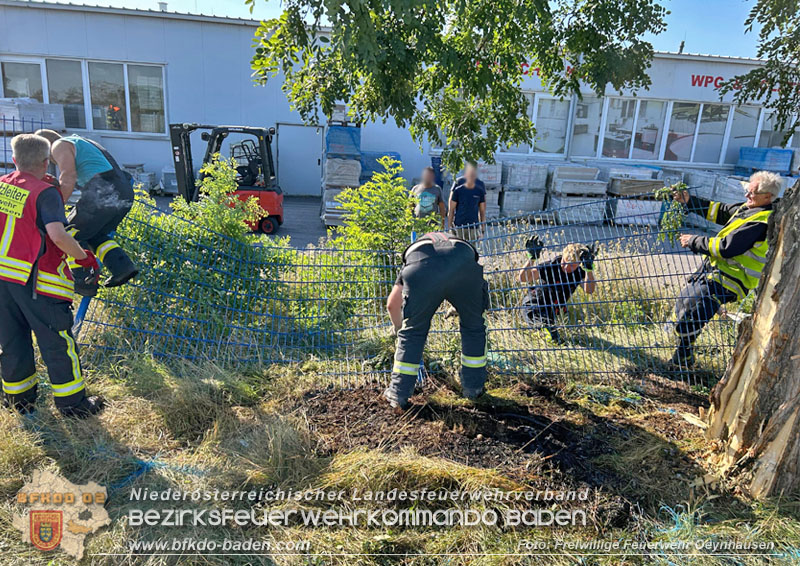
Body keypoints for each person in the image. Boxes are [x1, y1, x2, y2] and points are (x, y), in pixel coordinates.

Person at [0, 134, 105, 417]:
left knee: (12, 341)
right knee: (57, 343)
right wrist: (83, 257)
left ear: (14, 159)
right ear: (46, 162)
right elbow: (58, 235)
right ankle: (73, 405)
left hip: (3, 281)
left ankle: (19, 402)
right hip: (36, 281)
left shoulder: (2, 185)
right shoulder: (45, 193)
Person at [668, 171, 779, 370]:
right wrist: (689, 201)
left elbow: (727, 247)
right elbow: (719, 211)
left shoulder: (761, 222)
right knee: (684, 304)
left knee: (694, 310)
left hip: (732, 280)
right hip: (713, 273)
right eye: (748, 191)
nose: (747, 195)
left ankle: (682, 360)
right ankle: (684, 354)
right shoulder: (748, 209)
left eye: (752, 193)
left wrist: (693, 241)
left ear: (767, 196)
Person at [384, 232, 489, 409]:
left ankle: (398, 393)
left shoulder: (414, 255)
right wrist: (462, 307)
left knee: (413, 333)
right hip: (465, 266)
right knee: (474, 328)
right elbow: (460, 280)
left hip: (421, 269)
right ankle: (474, 388)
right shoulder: (462, 248)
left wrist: (398, 328)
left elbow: (392, 304)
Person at [35, 129, 137, 295]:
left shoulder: (59, 145)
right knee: (94, 235)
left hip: (103, 192)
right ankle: (122, 267)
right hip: (122, 194)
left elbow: (68, 177)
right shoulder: (81, 142)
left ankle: (84, 281)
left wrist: (56, 208)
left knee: (67, 232)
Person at [518, 240, 596, 343]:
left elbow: (589, 290)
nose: (566, 267)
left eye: (572, 265)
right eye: (564, 262)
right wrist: (532, 258)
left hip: (552, 310)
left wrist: (589, 270)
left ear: (579, 264)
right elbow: (523, 278)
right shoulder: (551, 266)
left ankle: (548, 334)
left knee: (552, 331)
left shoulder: (579, 273)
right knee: (547, 330)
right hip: (534, 303)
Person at [448, 162, 486, 240]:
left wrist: (482, 230)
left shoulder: (480, 185)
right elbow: (451, 207)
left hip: (473, 225)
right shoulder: (458, 182)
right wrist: (450, 226)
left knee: (471, 246)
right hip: (459, 225)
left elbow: (482, 210)